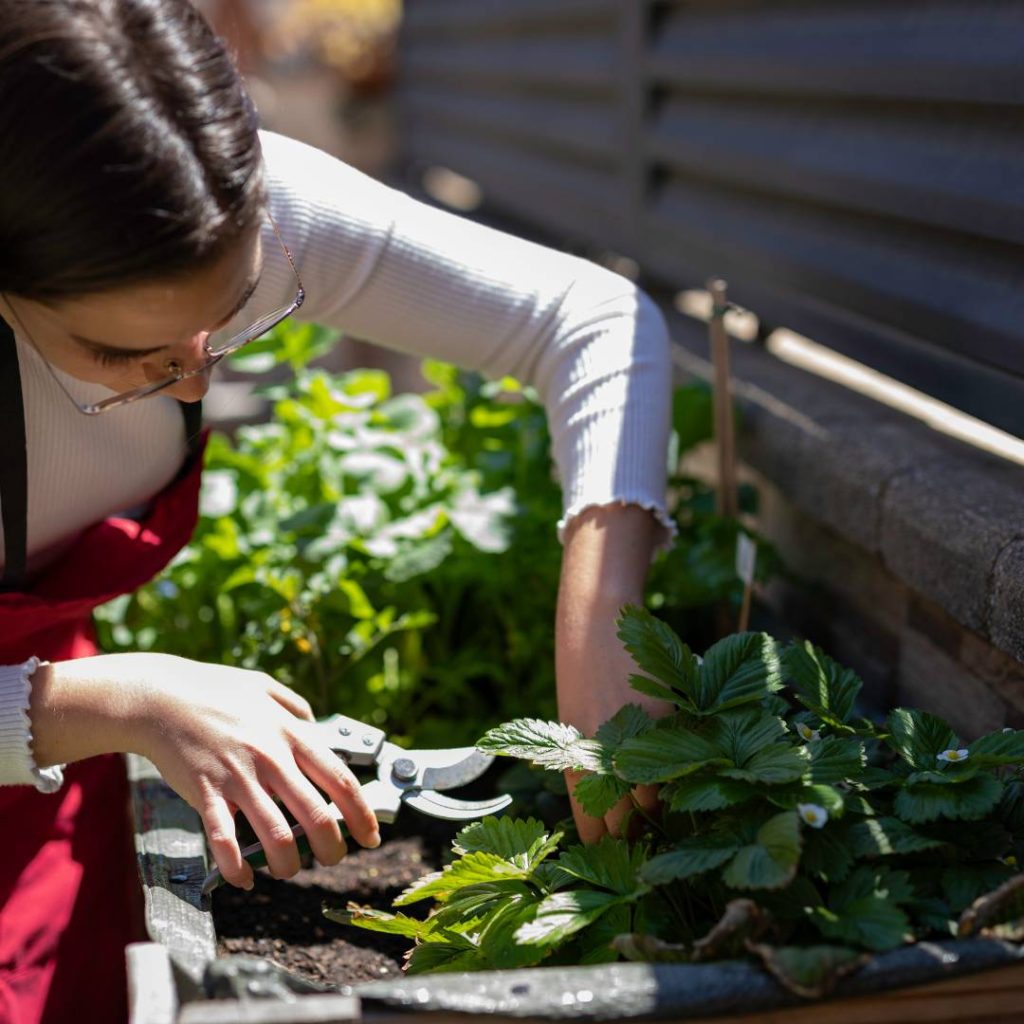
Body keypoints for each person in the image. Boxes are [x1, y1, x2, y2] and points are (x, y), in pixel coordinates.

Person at [0, 1, 673, 1021]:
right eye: (124, 360)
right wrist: (110, 700)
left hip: (46, 773)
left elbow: (590, 322)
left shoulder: (236, 205)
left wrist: (599, 613)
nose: (192, 386)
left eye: (225, 325)